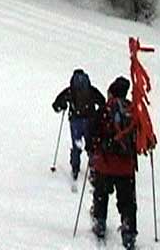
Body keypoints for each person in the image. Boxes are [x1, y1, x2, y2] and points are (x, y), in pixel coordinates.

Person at [88, 76, 138, 249]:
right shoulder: (133, 110)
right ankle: (129, 232)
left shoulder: (105, 110)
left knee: (101, 195)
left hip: (105, 163)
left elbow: (92, 132)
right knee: (127, 201)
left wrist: (91, 149)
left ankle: (100, 222)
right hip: (126, 166)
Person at [52, 69, 106, 180]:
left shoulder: (71, 90)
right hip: (90, 120)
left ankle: (75, 167)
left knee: (76, 144)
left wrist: (63, 106)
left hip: (76, 121)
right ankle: (93, 167)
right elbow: (102, 101)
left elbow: (56, 104)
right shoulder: (91, 90)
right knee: (91, 144)